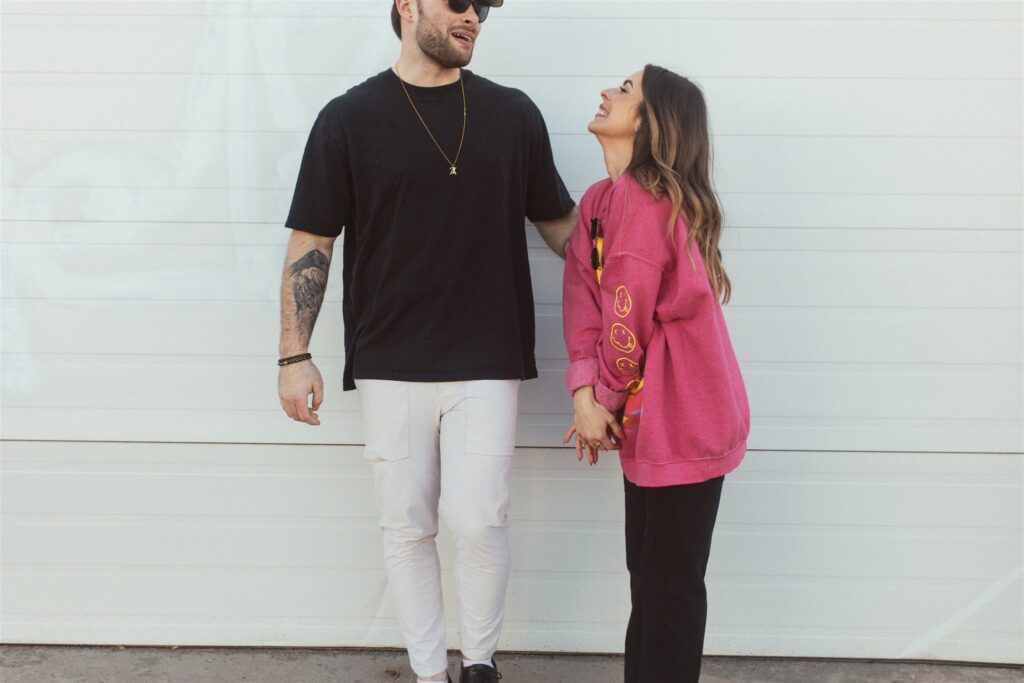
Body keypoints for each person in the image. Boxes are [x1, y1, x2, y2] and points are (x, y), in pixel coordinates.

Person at [276, 1, 577, 681]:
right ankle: (427, 671)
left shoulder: (512, 114)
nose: (474, 15)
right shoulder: (348, 118)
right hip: (390, 358)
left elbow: (559, 224)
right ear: (408, 5)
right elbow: (312, 241)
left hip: (488, 355)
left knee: (480, 518)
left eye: (484, 7)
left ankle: (478, 665)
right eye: (459, 1)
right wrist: (295, 354)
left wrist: (637, 255)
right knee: (407, 524)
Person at [562, 65, 750, 683]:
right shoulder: (598, 202)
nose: (607, 91)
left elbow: (628, 320)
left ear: (647, 120)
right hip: (646, 418)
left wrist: (599, 401)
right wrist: (585, 393)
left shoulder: (647, 201)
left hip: (686, 417)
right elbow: (584, 301)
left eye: (625, 88)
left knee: (668, 586)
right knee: (648, 575)